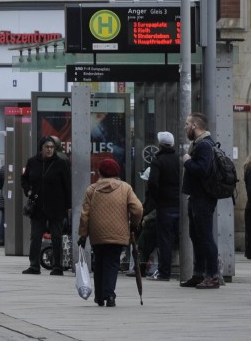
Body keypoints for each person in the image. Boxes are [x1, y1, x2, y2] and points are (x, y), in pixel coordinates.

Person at [78, 158, 143, 307]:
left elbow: (85, 214)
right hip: (118, 232)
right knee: (112, 263)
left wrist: (83, 235)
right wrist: (134, 224)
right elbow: (138, 208)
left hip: (97, 233)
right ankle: (110, 295)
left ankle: (99, 296)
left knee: (99, 261)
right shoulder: (125, 188)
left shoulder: (92, 189)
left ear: (99, 172)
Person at [181, 113, 221, 289]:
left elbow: (202, 170)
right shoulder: (200, 144)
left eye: (187, 124)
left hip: (203, 197)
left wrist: (187, 161)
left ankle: (212, 276)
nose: (185, 127)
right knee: (196, 236)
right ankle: (199, 274)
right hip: (197, 196)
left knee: (204, 237)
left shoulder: (204, 145)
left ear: (195, 126)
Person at [21, 136, 71, 276]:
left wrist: (68, 206)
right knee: (36, 236)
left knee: (56, 236)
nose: (49, 149)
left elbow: (67, 185)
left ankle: (57, 266)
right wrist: (28, 190)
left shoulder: (60, 163)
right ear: (41, 148)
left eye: (51, 147)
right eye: (47, 147)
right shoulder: (32, 162)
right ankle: (34, 265)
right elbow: (24, 179)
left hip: (56, 206)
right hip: (37, 206)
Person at [146, 131, 181, 281]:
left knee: (165, 239)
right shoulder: (179, 160)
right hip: (179, 204)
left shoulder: (158, 161)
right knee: (181, 238)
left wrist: (156, 199)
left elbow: (153, 182)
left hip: (165, 205)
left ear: (159, 144)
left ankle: (164, 272)